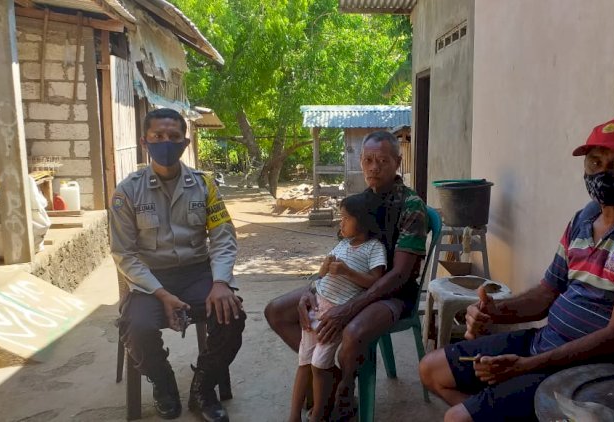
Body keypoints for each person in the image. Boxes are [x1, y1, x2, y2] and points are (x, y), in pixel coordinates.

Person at [418, 118, 614, 422]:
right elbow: (546, 293)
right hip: (543, 342)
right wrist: (492, 311)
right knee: (431, 370)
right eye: (595, 162)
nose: (603, 173)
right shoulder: (584, 219)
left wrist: (526, 366)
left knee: (457, 418)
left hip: (584, 373)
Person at [265, 130, 429, 418]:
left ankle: (342, 396)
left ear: (398, 162)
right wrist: (311, 289)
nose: (374, 167)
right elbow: (337, 256)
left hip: (392, 294)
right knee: (277, 312)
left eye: (383, 160)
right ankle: (331, 377)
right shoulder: (359, 202)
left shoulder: (411, 205)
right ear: (361, 162)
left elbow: (400, 274)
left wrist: (348, 308)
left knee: (352, 334)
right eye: (368, 160)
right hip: (344, 286)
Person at [110, 108, 244, 422]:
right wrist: (160, 294)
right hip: (150, 281)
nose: (166, 143)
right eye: (158, 136)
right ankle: (163, 383)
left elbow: (223, 238)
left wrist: (221, 282)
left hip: (197, 273)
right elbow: (124, 254)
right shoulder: (127, 191)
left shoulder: (204, 185)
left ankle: (203, 387)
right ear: (145, 142)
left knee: (231, 315)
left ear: (185, 142)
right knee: (137, 327)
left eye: (173, 137)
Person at [289, 193, 387, 422]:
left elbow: (376, 282)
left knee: (318, 365)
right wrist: (322, 270)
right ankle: (293, 416)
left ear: (362, 221)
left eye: (345, 218)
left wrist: (347, 272)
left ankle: (319, 414)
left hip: (335, 315)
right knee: (304, 362)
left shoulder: (374, 249)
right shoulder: (342, 244)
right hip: (317, 306)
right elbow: (321, 277)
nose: (340, 223)